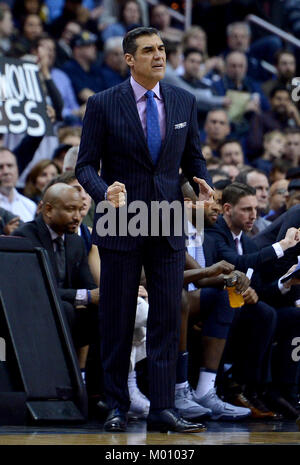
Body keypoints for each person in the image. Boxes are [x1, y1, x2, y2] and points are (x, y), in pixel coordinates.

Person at [75, 26, 213, 433]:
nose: (159, 55)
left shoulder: (183, 101)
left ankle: (163, 408)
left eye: (162, 48)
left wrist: (200, 181)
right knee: (117, 317)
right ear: (129, 59)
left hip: (168, 218)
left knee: (168, 317)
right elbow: (85, 165)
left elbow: (193, 160)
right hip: (121, 215)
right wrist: (104, 193)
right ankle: (116, 405)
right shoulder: (102, 103)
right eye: (149, 50)